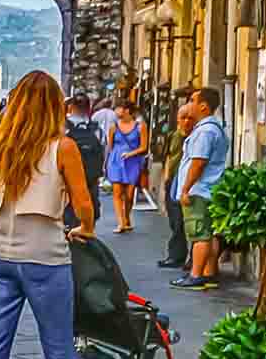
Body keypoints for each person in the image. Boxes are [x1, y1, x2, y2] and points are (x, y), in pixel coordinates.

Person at [0, 70, 97, 359]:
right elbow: (83, 202)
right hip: (45, 257)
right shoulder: (63, 147)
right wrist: (86, 228)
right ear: (54, 106)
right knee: (58, 342)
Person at [172, 86, 231, 290]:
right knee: (210, 233)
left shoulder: (205, 131)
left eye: (192, 101)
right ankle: (209, 273)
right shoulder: (215, 128)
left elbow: (198, 162)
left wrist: (185, 189)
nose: (189, 105)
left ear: (203, 106)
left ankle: (195, 275)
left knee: (199, 234)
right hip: (210, 188)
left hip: (199, 189)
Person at [158, 98, 196, 270]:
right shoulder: (173, 135)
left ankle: (185, 258)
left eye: (190, 118)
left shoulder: (196, 137)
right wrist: (166, 179)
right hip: (173, 180)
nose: (186, 121)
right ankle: (176, 255)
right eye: (183, 118)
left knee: (185, 222)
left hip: (188, 181)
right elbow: (168, 156)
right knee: (175, 220)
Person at [104, 97, 149, 234]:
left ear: (127, 110)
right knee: (117, 192)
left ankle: (126, 217)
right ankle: (121, 222)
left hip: (133, 162)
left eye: (118, 108)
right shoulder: (113, 127)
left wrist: (131, 153)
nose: (115, 111)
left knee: (129, 194)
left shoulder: (140, 126)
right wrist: (107, 162)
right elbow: (110, 146)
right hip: (116, 161)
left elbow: (144, 147)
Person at [63, 94, 105, 232]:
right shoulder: (96, 129)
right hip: (91, 181)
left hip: (66, 182)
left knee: (68, 218)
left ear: (71, 107)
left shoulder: (63, 128)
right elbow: (104, 150)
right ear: (89, 108)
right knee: (89, 217)